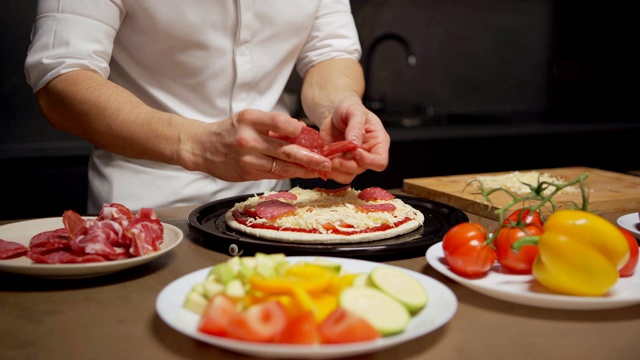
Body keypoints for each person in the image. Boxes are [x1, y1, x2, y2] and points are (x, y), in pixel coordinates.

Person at [24, 0, 390, 214]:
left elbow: (330, 54)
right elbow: (61, 78)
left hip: (274, 205)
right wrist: (198, 144)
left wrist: (338, 105)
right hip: (147, 209)